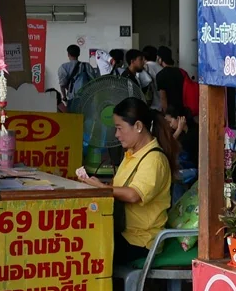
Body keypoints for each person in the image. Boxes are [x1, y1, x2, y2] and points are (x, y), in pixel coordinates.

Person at [79, 98, 180, 264]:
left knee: (86, 252)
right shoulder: (131, 154)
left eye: (119, 128)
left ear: (139, 126)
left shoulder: (154, 159)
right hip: (123, 232)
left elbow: (134, 195)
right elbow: (119, 187)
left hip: (140, 241)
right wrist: (99, 184)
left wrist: (101, 188)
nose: (116, 135)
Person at [155, 46, 185, 112]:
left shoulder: (160, 75)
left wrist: (166, 113)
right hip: (182, 107)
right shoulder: (180, 72)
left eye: (158, 58)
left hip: (171, 110)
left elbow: (163, 98)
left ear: (160, 59)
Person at [142, 45, 163, 111]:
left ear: (144, 56)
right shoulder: (161, 68)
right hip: (161, 104)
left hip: (152, 105)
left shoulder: (145, 67)